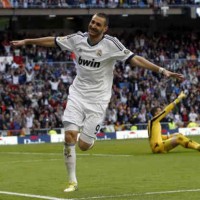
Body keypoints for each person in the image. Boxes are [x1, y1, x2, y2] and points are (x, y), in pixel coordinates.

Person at [11, 13, 185, 192]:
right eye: (92, 22)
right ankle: (72, 182)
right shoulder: (77, 39)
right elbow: (52, 41)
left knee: (84, 146)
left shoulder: (112, 44)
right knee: (69, 136)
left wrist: (162, 70)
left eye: (98, 24)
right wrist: (27, 41)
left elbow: (135, 59)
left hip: (98, 100)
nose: (93, 26)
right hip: (77, 95)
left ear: (105, 28)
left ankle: (90, 138)